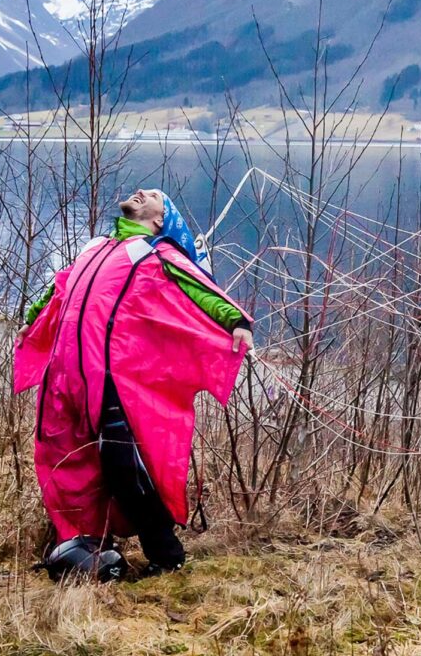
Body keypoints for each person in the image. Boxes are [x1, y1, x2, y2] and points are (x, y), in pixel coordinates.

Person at [14, 189, 253, 577]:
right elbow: (59, 287)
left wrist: (235, 321)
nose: (142, 192)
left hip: (108, 380)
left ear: (161, 220)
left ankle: (166, 556)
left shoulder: (154, 253)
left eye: (155, 195)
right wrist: (32, 316)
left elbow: (198, 289)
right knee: (68, 466)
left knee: (126, 469)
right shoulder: (94, 249)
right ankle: (89, 547)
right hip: (65, 381)